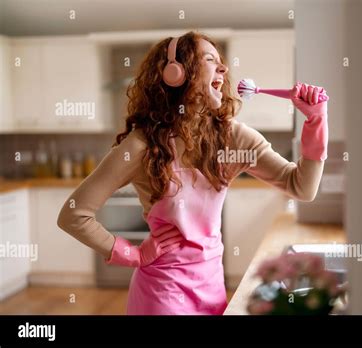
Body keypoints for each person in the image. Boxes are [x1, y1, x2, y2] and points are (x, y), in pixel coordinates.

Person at [57, 31, 329, 315]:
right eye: (210, 60)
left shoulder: (235, 138)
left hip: (212, 288)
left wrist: (316, 119)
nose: (223, 68)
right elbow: (74, 214)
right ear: (176, 73)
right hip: (162, 294)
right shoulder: (140, 145)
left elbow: (302, 187)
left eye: (221, 61)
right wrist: (134, 254)